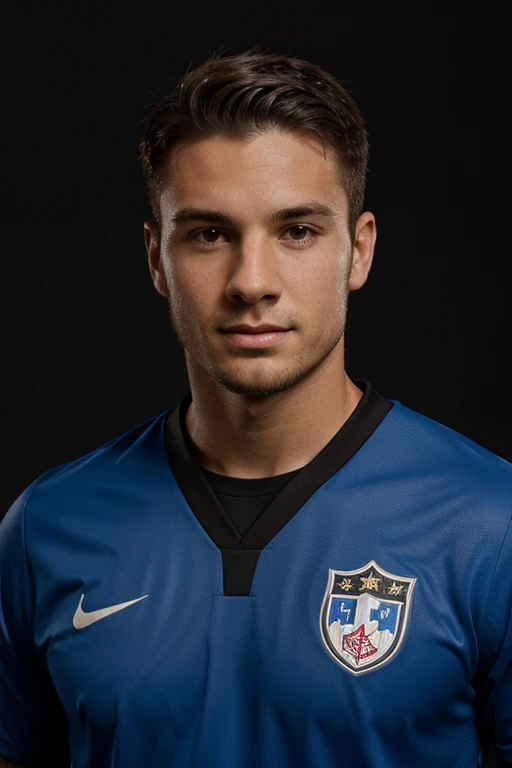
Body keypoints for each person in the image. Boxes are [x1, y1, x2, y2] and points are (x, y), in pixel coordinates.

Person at [0, 48, 510, 768]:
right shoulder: (46, 527)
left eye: (297, 231)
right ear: (156, 258)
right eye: (209, 234)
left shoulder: (491, 523)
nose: (252, 282)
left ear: (358, 252)